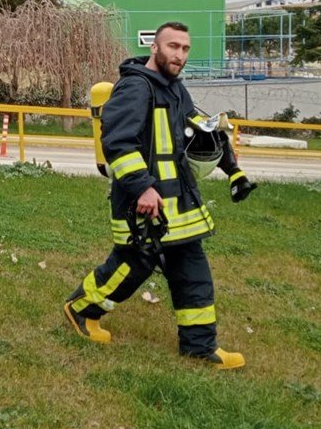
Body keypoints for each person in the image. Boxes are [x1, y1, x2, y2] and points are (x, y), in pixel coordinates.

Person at [63, 21, 257, 369]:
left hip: (179, 206)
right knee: (131, 268)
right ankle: (80, 309)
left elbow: (204, 129)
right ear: (155, 47)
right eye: (172, 47)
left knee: (193, 273)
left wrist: (233, 171)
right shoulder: (136, 88)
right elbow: (118, 144)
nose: (179, 55)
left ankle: (199, 345)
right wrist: (143, 187)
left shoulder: (177, 91)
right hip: (142, 204)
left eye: (185, 49)